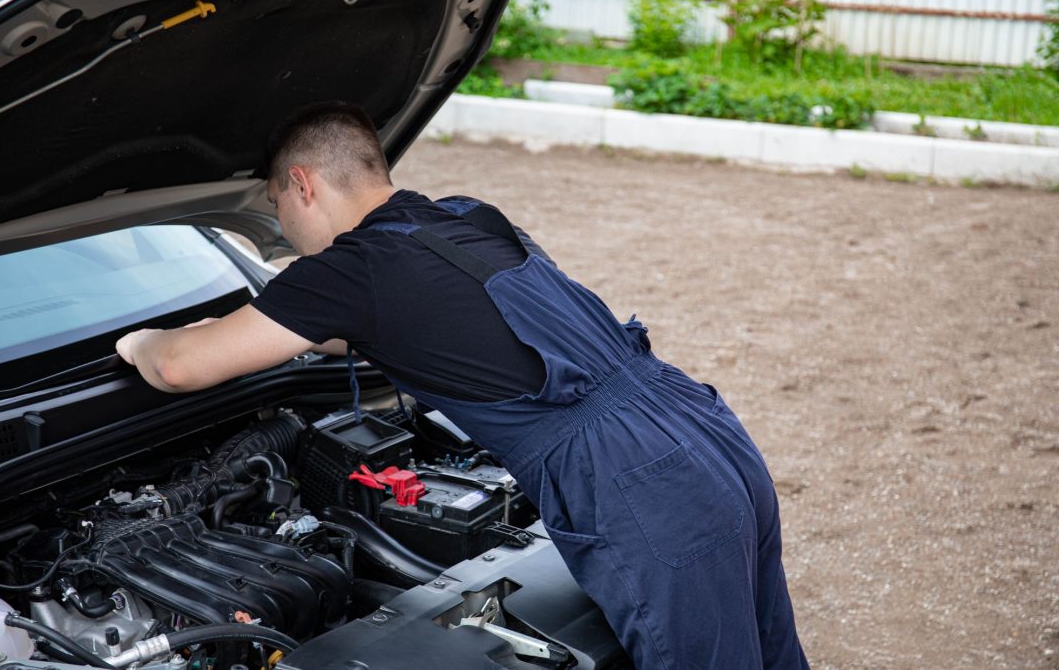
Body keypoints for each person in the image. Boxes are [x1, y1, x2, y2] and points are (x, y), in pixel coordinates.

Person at [116, 101, 809, 669]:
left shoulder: (351, 269)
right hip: (701, 430)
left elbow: (177, 366)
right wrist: (241, 324)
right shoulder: (466, 217)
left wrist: (137, 341)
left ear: (303, 184)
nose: (284, 233)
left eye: (277, 209)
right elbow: (415, 319)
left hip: (633, 480)